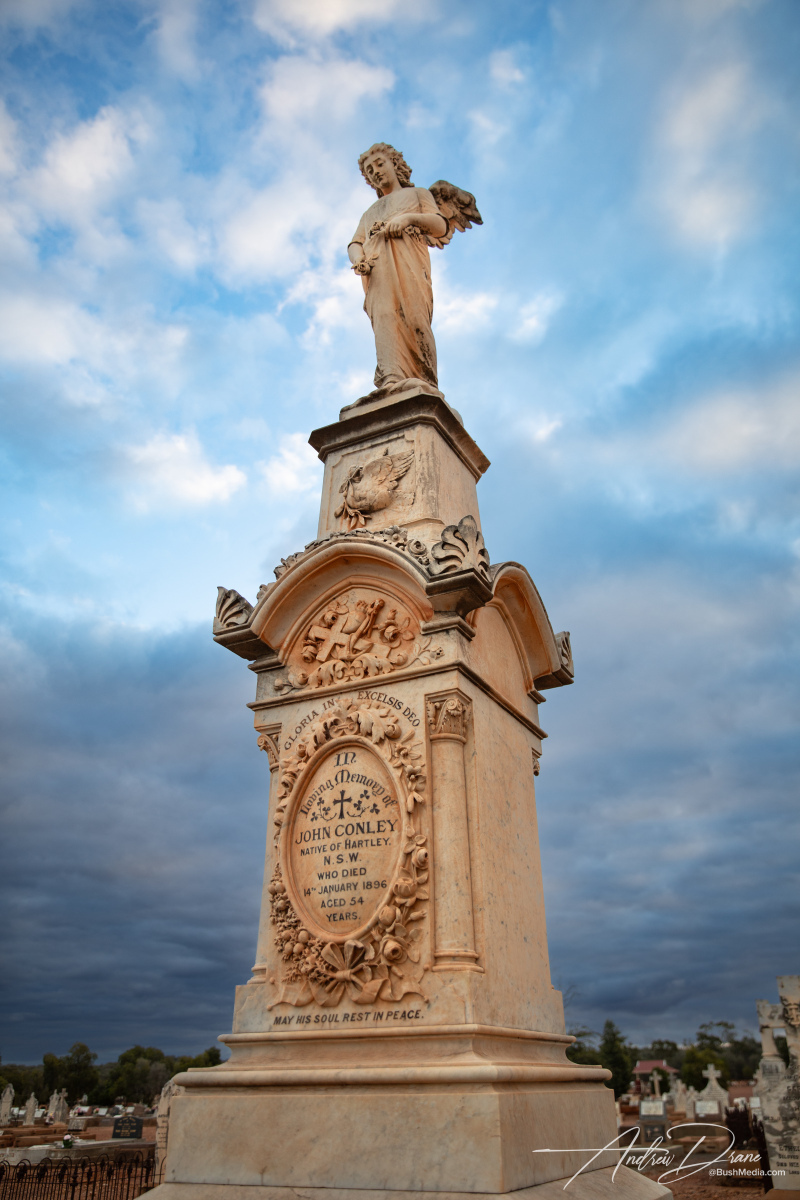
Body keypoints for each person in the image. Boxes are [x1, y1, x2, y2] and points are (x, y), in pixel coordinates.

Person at [348, 143, 447, 401]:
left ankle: (426, 382)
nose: (376, 172)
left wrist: (408, 219)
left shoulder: (418, 195)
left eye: (380, 164)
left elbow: (439, 225)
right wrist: (359, 259)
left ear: (395, 164)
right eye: (370, 171)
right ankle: (391, 378)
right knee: (385, 317)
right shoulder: (370, 213)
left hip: (409, 265)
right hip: (379, 270)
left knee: (416, 319)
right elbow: (355, 243)